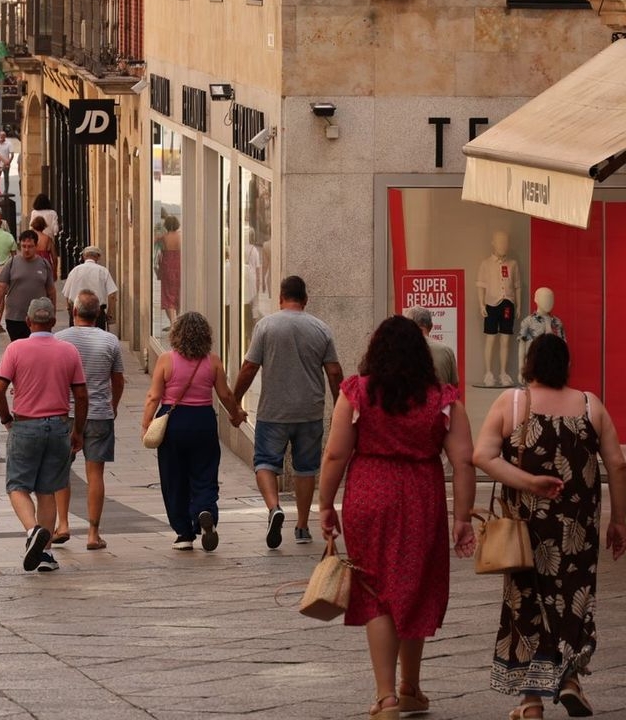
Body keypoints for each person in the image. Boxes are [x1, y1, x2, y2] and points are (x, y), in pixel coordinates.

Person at [318, 315, 477, 720]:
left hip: (369, 491)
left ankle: (385, 696)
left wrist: (325, 503)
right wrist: (462, 517)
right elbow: (463, 462)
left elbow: (336, 453)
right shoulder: (443, 399)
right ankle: (410, 686)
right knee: (414, 586)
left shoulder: (357, 393)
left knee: (376, 593)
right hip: (421, 494)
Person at [472, 334, 626, 720]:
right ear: (566, 365)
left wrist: (527, 483)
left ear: (529, 364)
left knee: (526, 602)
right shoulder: (591, 405)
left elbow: (483, 455)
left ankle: (530, 702)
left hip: (527, 528)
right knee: (575, 600)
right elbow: (617, 465)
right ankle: (570, 680)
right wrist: (619, 520)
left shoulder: (513, 402)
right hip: (578, 527)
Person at [232, 275, 343, 549]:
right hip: (309, 411)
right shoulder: (321, 329)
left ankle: (274, 508)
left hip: (274, 411)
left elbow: (249, 368)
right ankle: (303, 526)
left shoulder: (266, 326)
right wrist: (340, 405)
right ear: (305, 300)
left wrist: (234, 402)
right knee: (306, 469)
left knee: (265, 463)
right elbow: (334, 372)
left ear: (281, 298)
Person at [0, 298, 89, 573]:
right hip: (58, 426)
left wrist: (6, 419)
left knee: (18, 486)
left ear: (28, 321)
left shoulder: (16, 348)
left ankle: (33, 530)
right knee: (48, 489)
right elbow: (81, 394)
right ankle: (45, 555)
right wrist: (78, 430)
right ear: (54, 322)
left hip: (25, 424)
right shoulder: (68, 350)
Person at [142, 312, 246, 551]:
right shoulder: (213, 361)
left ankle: (184, 533)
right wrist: (236, 415)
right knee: (205, 472)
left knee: (173, 478)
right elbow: (226, 395)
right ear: (205, 336)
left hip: (173, 422)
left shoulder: (166, 360)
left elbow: (153, 396)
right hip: (203, 421)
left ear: (176, 335)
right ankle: (205, 509)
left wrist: (146, 424)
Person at [54, 290, 125, 551]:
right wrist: (113, 405)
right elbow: (117, 380)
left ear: (74, 311)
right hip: (99, 414)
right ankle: (93, 533)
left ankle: (62, 525)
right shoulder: (110, 341)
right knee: (95, 474)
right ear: (99, 314)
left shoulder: (59, 339)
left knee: (60, 471)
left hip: (66, 413)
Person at [0, 229, 57, 342]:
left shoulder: (44, 264)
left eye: (30, 246)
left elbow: (51, 291)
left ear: (36, 246)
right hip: (15, 317)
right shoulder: (12, 263)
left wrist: (53, 312)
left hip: (39, 318)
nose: (26, 250)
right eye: (23, 246)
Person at [62, 246, 117, 330]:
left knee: (76, 340)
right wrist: (110, 313)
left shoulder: (75, 271)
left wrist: (70, 311)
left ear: (84, 256)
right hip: (97, 312)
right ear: (98, 257)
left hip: (78, 312)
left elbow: (67, 295)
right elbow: (112, 295)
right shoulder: (103, 271)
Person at [404, 305, 459, 387]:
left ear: (409, 326)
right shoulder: (447, 351)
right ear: (431, 326)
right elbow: (454, 386)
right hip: (441, 399)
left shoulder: (401, 351)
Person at [156, 215, 181, 328]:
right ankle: (178, 321)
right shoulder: (181, 236)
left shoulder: (163, 237)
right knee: (178, 294)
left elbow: (152, 244)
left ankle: (173, 323)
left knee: (168, 295)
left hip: (167, 266)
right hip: (180, 265)